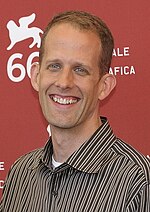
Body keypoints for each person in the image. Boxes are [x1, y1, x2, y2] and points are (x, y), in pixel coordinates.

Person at [0, 10, 150, 212]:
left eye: (80, 70)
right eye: (54, 66)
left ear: (103, 86)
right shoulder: (20, 174)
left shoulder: (138, 182)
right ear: (36, 76)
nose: (64, 82)